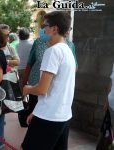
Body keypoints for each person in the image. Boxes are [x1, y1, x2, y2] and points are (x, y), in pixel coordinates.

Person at [21, 11, 76, 150]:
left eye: (45, 25)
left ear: (54, 29)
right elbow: (56, 88)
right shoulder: (67, 49)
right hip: (62, 115)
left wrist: (27, 89)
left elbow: (42, 89)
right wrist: (36, 111)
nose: (42, 29)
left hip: (49, 117)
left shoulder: (53, 51)